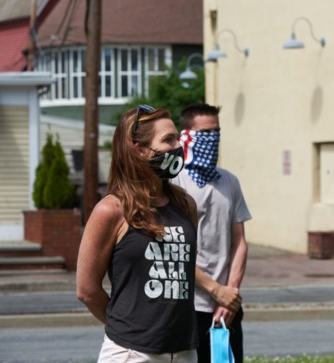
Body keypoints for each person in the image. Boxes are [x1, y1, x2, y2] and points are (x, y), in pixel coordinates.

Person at [76, 105, 241, 362]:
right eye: (168, 140)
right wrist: (130, 329)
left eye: (177, 137)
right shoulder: (111, 210)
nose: (178, 146)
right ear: (140, 150)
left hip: (185, 350)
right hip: (131, 352)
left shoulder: (186, 205)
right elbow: (87, 291)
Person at [172, 103, 251, 363]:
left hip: (226, 306)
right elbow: (174, 249)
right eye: (206, 133)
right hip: (187, 306)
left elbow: (239, 242)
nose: (213, 139)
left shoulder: (229, 181)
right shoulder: (173, 182)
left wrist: (229, 293)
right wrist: (215, 289)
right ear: (187, 135)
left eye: (217, 131)